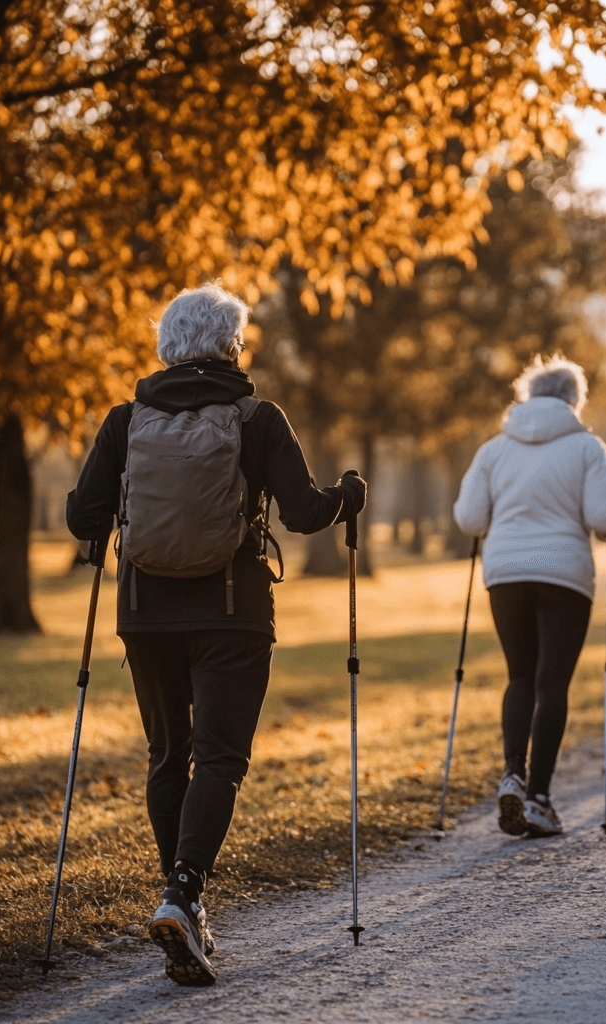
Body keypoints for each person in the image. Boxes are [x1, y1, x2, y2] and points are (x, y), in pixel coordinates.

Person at [66, 284, 367, 987]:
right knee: (220, 759)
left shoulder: (124, 420)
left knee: (168, 754)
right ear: (233, 345)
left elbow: (84, 517)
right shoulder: (256, 417)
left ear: (165, 344)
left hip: (143, 613)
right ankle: (184, 892)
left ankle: (180, 899)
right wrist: (347, 494)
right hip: (231, 611)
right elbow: (303, 513)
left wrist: (104, 513)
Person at [453, 354, 606, 837]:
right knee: (553, 684)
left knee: (520, 676)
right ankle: (540, 800)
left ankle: (513, 772)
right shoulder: (588, 447)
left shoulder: (493, 449)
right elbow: (602, 519)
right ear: (574, 399)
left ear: (527, 395)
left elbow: (470, 519)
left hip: (505, 571)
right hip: (565, 574)